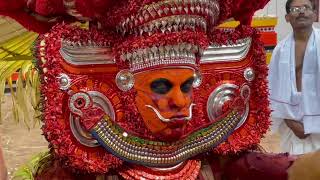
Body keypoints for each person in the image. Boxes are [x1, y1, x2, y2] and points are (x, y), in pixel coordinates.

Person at [0, 0, 313, 179]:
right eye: (161, 86)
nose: (181, 101)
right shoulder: (85, 173)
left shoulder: (217, 165)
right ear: (125, 89)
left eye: (189, 86)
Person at [269, 0, 320, 155]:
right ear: (287, 17)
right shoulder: (280, 50)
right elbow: (273, 88)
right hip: (292, 122)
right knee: (296, 169)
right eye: (295, 9)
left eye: (306, 7)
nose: (301, 11)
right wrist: (290, 122)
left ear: (315, 14)